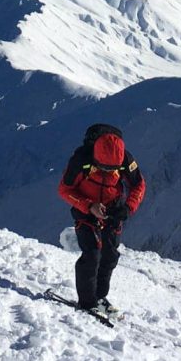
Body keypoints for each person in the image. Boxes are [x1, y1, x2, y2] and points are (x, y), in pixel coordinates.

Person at [58, 124, 146, 314]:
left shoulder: (125, 160)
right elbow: (65, 189)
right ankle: (87, 302)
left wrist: (127, 208)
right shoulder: (80, 160)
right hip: (86, 211)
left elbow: (139, 185)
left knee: (109, 256)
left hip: (113, 210)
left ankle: (99, 297)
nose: (108, 172)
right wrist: (89, 206)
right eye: (103, 168)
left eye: (112, 169)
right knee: (91, 255)